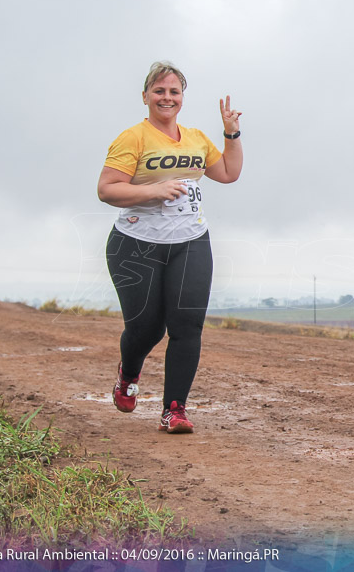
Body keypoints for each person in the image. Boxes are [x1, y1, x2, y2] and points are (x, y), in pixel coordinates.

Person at [97, 61, 243, 433]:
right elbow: (107, 189)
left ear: (182, 98)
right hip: (136, 245)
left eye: (174, 91)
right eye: (159, 91)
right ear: (146, 96)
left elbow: (228, 173)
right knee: (146, 329)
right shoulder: (133, 138)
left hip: (190, 241)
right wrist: (153, 189)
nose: (167, 97)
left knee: (187, 325)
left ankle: (174, 410)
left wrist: (231, 133)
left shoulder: (195, 137)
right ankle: (128, 374)